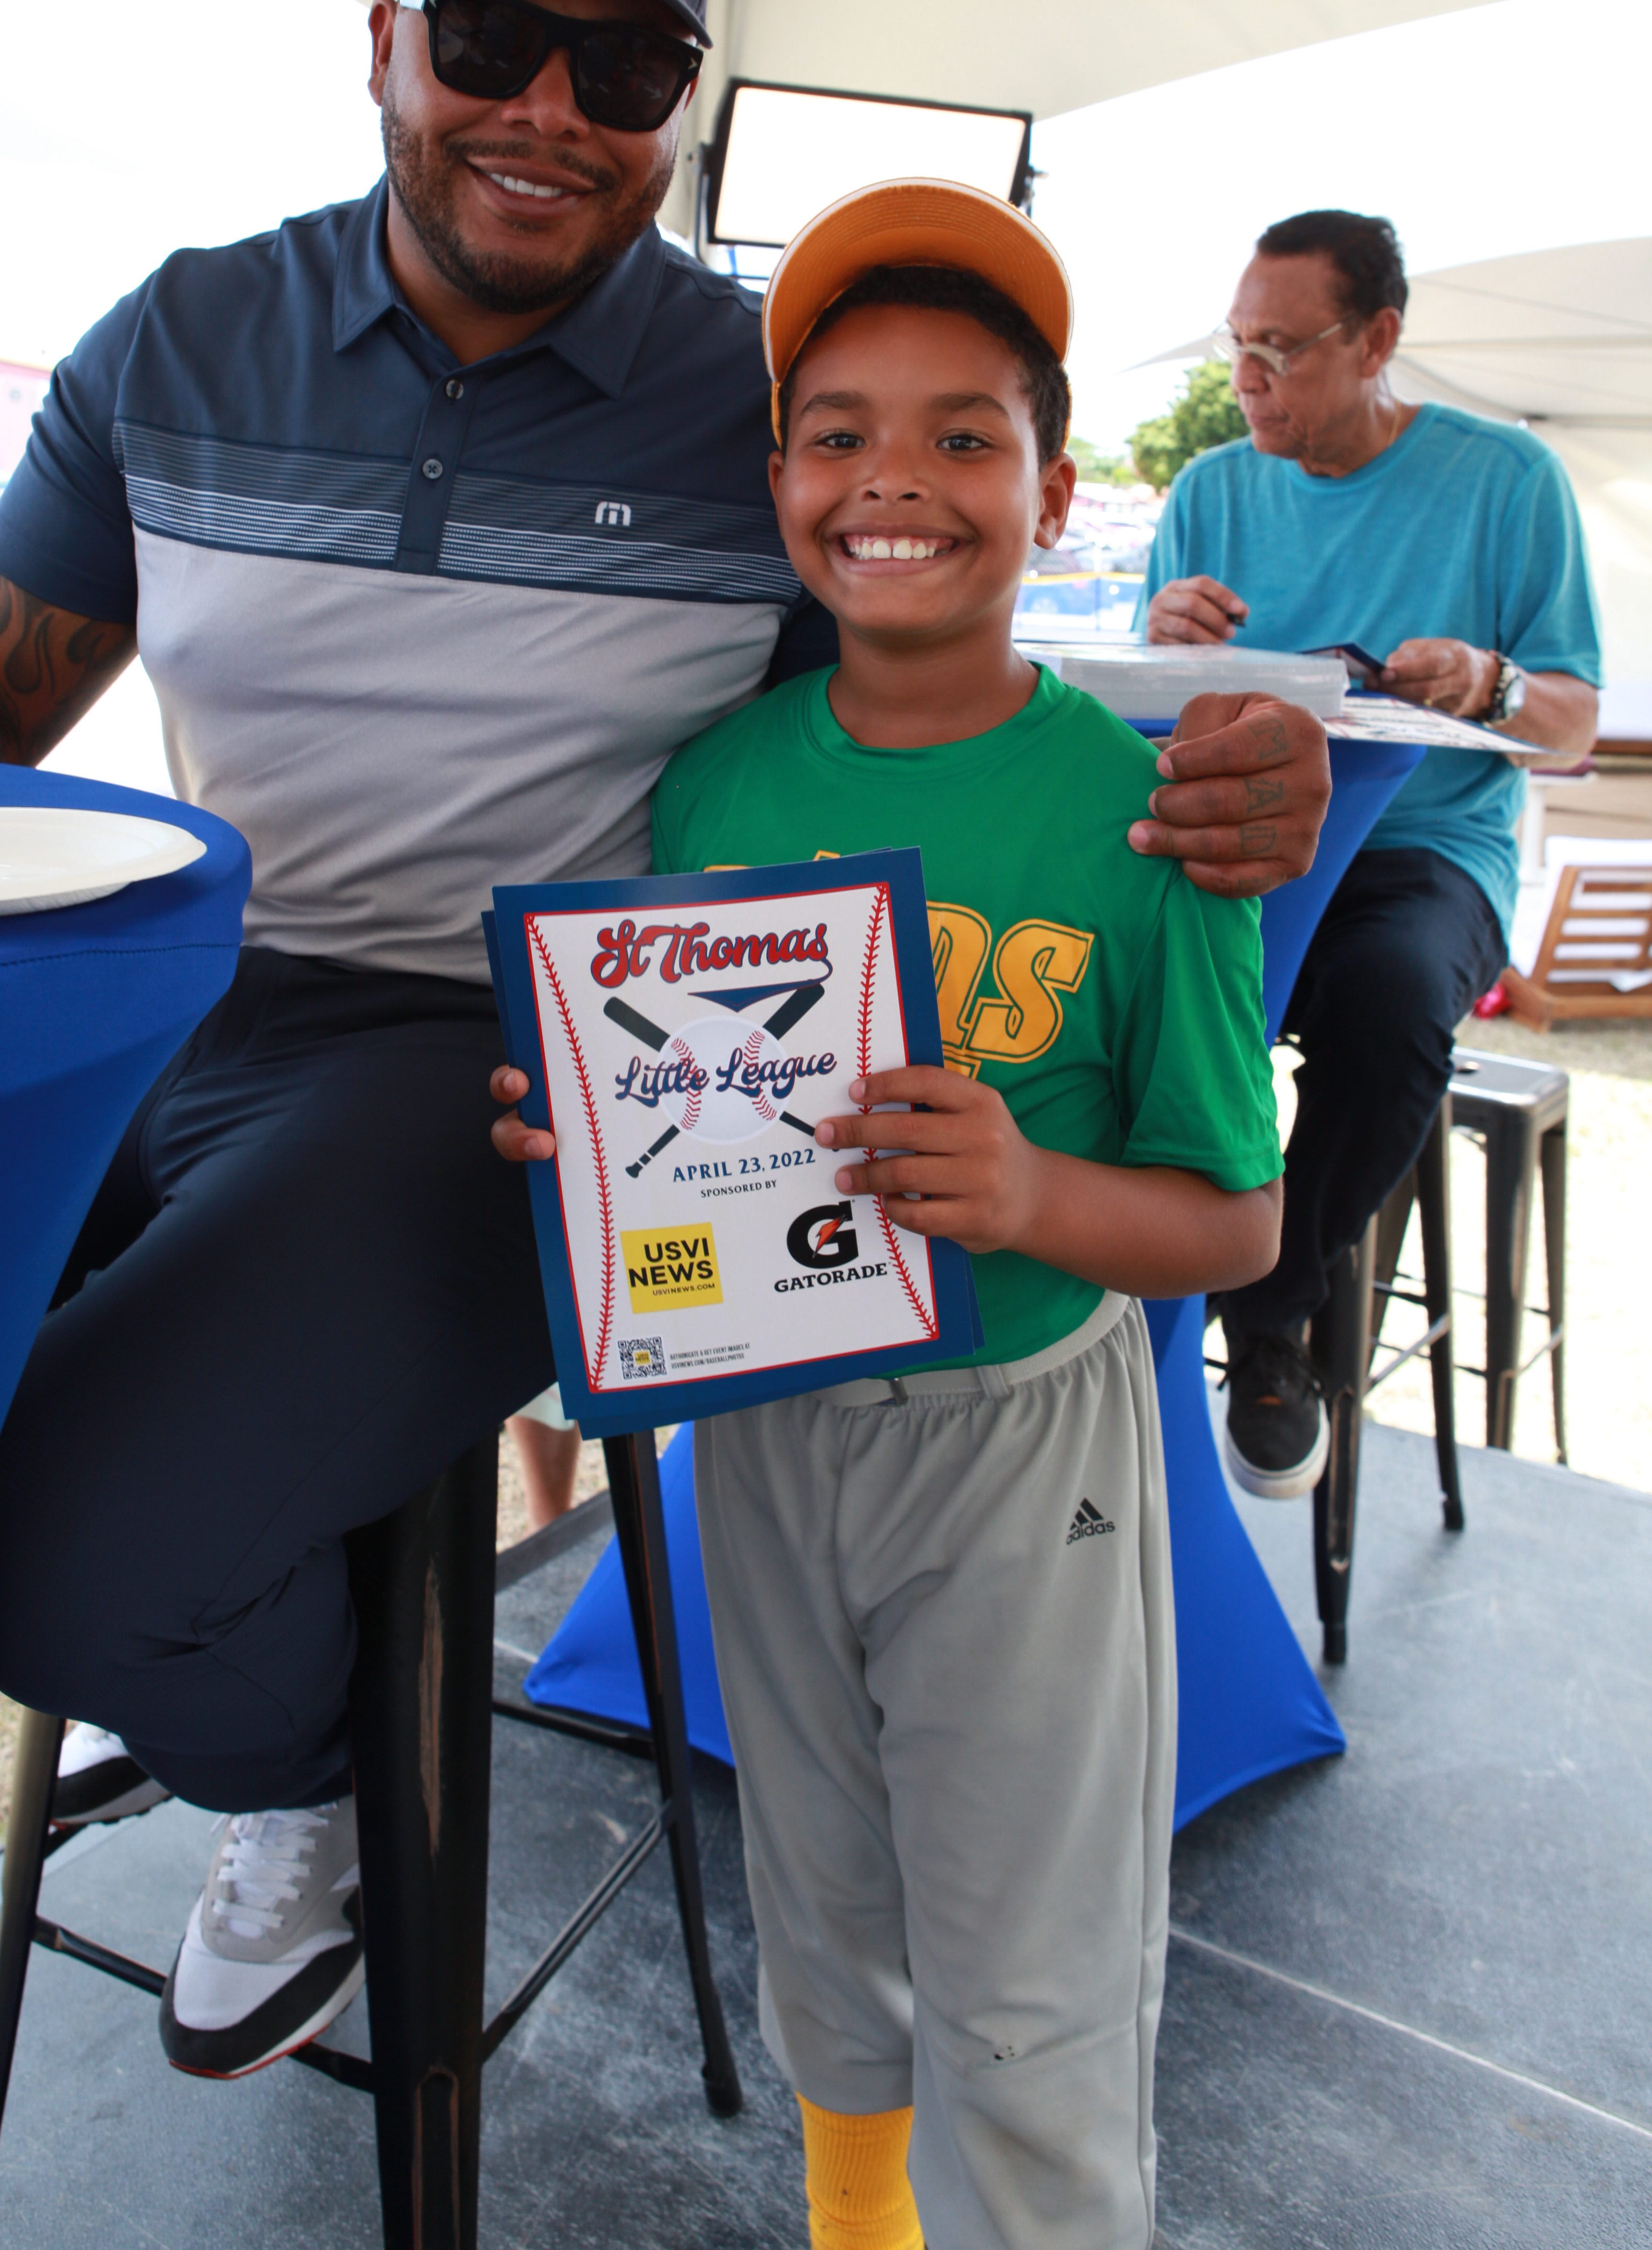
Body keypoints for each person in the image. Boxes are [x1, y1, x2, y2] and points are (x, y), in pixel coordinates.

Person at [0, 0, 1329, 2084]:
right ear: (387, 42)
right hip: (159, 997)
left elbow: (950, 655)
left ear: (679, 112)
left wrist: (1226, 765)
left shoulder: (752, 402)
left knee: (62, 1551)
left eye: (630, 69)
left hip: (505, 1078)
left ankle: (331, 1777)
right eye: (491, 36)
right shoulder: (181, 341)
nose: (549, 111)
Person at [493, 183, 1283, 2250]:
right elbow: (687, 1114)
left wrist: (1026, 1188)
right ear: (778, 482)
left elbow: (1240, 1227)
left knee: (1031, 1983)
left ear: (1054, 481)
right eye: (839, 431)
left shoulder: (1148, 820)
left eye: (963, 433)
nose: (894, 482)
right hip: (773, 1432)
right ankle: (860, 2224)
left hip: (1028, 1448)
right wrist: (592, 1121)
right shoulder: (712, 787)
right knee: (821, 1894)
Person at [1146, 209, 1601, 1494]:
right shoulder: (1210, 492)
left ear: (1379, 340)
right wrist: (1167, 636)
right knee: (1102, 975)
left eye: (1280, 351)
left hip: (1423, 847)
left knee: (1393, 1002)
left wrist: (1490, 681)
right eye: (1238, 348)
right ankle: (1096, 1307)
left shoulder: (1506, 483)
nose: (1248, 383)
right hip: (1237, 830)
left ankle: (1269, 1307)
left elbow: (1570, 722)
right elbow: (1132, 719)